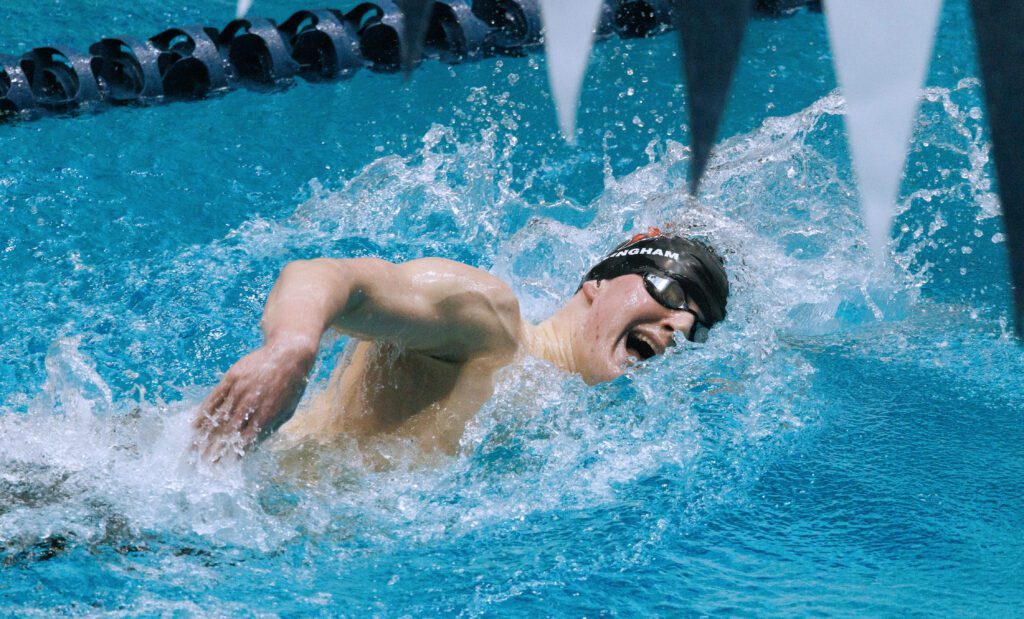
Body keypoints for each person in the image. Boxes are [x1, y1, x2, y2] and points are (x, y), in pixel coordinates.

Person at [192, 230, 729, 461]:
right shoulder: (488, 323)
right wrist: (291, 347)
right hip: (212, 475)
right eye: (670, 290)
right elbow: (332, 276)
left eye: (694, 327)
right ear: (598, 282)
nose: (677, 326)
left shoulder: (577, 423)